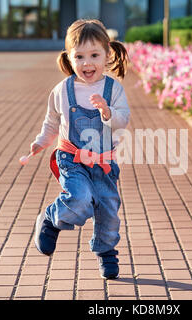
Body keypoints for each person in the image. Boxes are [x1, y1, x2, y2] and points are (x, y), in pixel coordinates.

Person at [30, 19, 130, 280]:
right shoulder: (62, 90)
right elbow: (53, 120)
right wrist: (42, 141)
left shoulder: (113, 89)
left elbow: (123, 119)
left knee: (108, 208)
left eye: (95, 55)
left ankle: (106, 252)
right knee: (80, 198)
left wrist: (107, 111)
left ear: (107, 55)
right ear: (69, 58)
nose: (88, 63)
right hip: (72, 159)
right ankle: (51, 219)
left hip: (103, 163)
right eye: (80, 56)